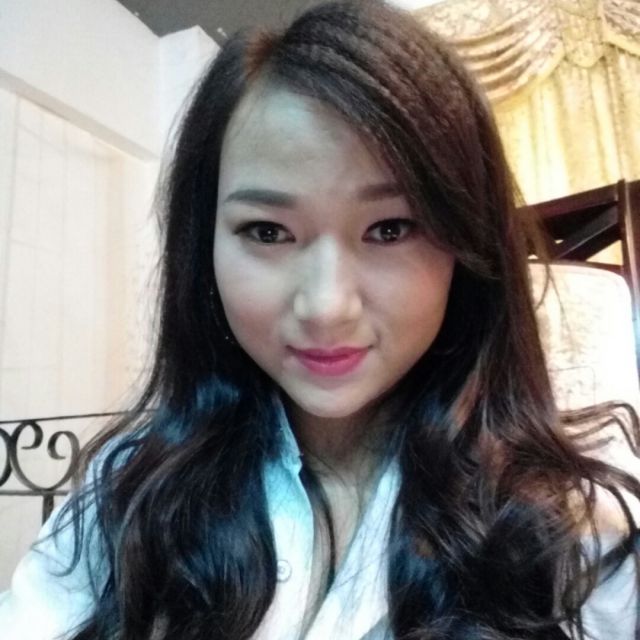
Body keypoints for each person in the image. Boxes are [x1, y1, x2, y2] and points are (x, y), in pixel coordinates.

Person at [1, 1, 639, 639]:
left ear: (467, 248)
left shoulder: (575, 536)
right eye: (268, 231)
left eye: (391, 229)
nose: (327, 306)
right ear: (204, 248)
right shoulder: (127, 493)